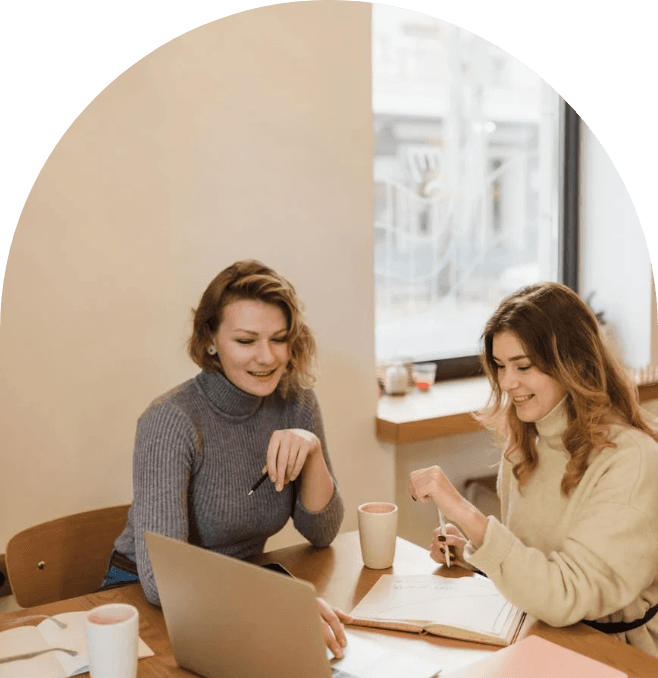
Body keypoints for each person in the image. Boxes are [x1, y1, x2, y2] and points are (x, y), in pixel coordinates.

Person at [103, 260, 349, 657]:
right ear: (211, 340)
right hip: (142, 599)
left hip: (234, 590)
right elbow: (160, 582)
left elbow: (321, 532)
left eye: (279, 339)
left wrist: (313, 451)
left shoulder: (296, 402)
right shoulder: (171, 420)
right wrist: (276, 601)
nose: (267, 358)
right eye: (246, 341)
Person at [408, 281, 658, 657]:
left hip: (618, 653)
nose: (507, 383)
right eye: (500, 366)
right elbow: (534, 566)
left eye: (523, 366)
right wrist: (477, 556)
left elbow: (564, 594)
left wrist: (466, 514)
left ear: (572, 363)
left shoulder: (632, 460)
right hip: (541, 634)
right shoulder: (526, 445)